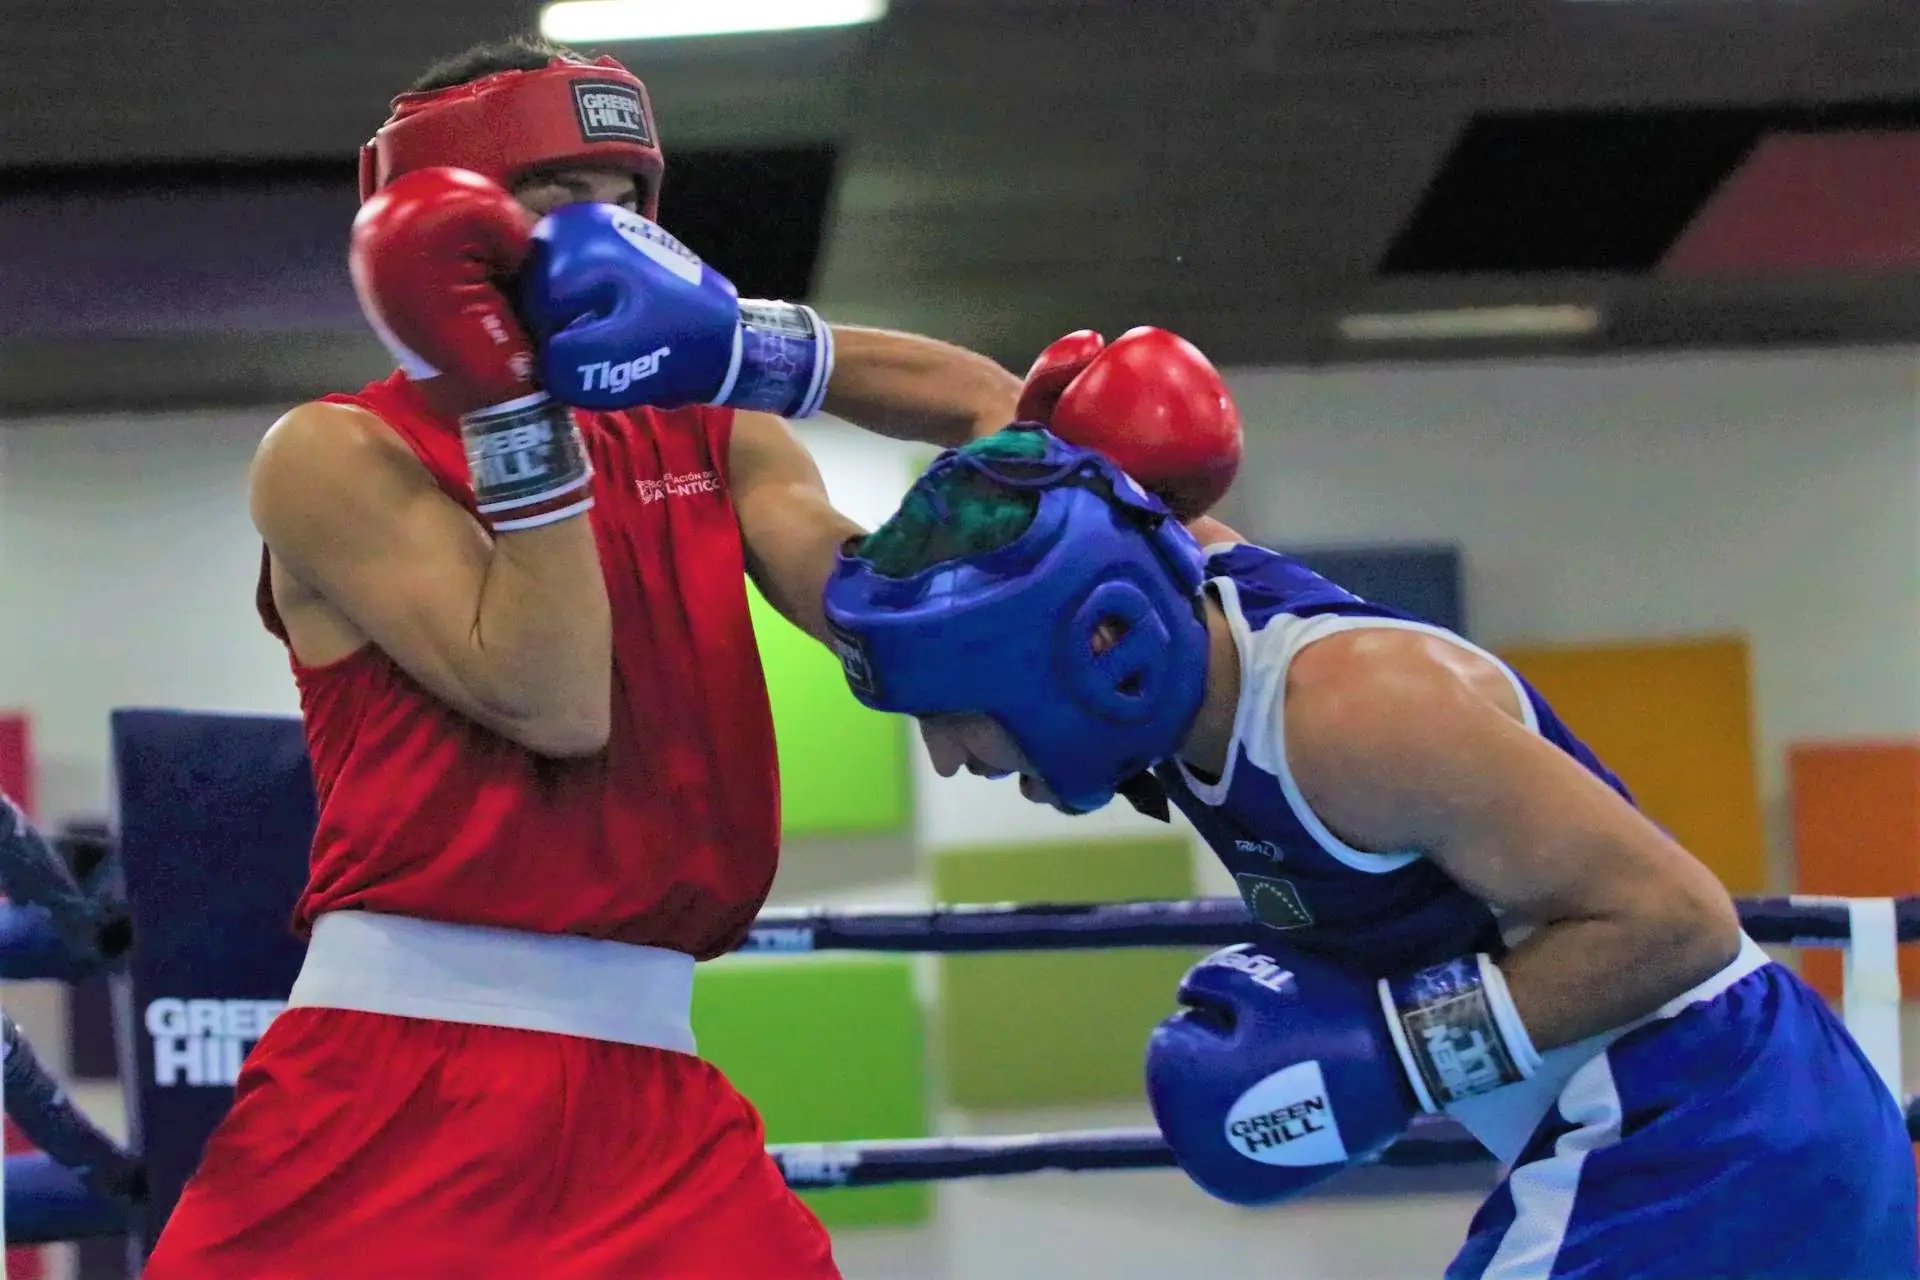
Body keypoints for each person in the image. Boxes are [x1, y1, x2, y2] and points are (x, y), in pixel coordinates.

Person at [143, 35, 1024, 1280]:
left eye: (625, 207)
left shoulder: (718, 429)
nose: (602, 244)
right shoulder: (334, 454)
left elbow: (876, 599)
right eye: (558, 205)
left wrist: (783, 357)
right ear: (438, 237)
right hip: (395, 1085)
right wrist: (517, 405)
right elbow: (552, 697)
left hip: (654, 1096)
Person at [819, 331, 1920, 1279]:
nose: (951, 757)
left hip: (1708, 1130)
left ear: (1076, 661)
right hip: (1700, 1131)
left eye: (960, 714)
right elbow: (986, 408)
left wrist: (1399, 1054)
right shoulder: (1146, 568)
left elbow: (1679, 920)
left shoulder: (1347, 716)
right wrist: (747, 351)